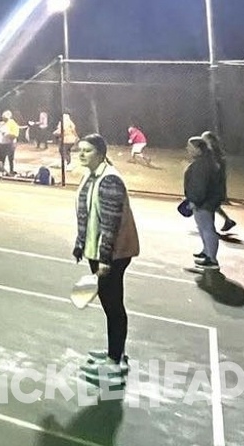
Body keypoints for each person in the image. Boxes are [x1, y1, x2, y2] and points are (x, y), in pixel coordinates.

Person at [71, 133, 140, 384]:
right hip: (97, 250)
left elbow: (110, 224)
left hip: (111, 254)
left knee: (113, 306)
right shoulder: (92, 176)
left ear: (100, 153)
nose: (81, 154)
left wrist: (105, 260)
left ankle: (115, 361)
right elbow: (88, 214)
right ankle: (114, 352)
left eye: (87, 150)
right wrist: (80, 244)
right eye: (80, 150)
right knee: (110, 305)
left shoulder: (109, 180)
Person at [184, 135, 222, 270]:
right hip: (206, 201)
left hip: (203, 202)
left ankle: (212, 259)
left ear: (198, 149)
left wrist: (195, 200)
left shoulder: (202, 165)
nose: (188, 150)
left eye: (190, 147)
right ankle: (207, 252)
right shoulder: (205, 162)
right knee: (204, 228)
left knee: (207, 229)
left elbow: (200, 186)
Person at [200, 130, 236, 233]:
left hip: (214, 183)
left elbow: (216, 168)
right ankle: (226, 221)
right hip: (215, 182)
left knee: (209, 204)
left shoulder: (213, 152)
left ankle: (211, 226)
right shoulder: (214, 151)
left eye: (204, 139)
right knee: (212, 205)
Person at [0, 110, 20, 176]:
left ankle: (11, 171)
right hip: (2, 144)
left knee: (11, 158)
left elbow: (15, 135)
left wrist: (8, 134)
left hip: (10, 144)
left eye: (5, 117)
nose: (3, 118)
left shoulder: (13, 124)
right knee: (1, 159)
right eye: (3, 117)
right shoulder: (1, 124)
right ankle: (1, 171)